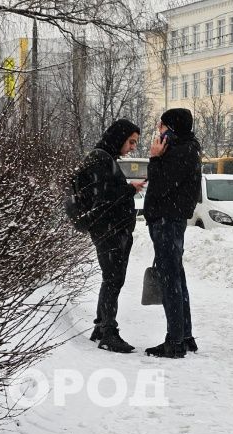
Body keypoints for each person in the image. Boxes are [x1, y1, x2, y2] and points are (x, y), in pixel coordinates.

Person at [79, 119, 146, 353]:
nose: (132, 147)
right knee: (113, 279)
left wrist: (128, 188)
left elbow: (105, 190)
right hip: (109, 230)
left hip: (112, 229)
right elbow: (104, 195)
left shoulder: (105, 158)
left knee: (112, 278)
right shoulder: (100, 158)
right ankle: (108, 331)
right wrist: (129, 189)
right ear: (119, 137)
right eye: (131, 141)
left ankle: (101, 327)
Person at [143, 108, 202, 359]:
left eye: (162, 126)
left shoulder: (178, 151)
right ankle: (184, 336)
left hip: (167, 219)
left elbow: (159, 186)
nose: (159, 130)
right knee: (176, 277)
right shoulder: (188, 148)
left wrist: (155, 158)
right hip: (172, 218)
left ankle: (175, 341)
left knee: (171, 281)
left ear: (172, 128)